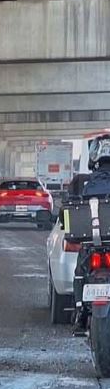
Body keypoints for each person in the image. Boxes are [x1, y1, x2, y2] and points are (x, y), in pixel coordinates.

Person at [74, 134, 110, 334]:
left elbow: (67, 214)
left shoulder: (86, 183)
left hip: (94, 243)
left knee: (81, 270)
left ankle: (80, 312)